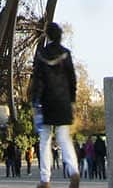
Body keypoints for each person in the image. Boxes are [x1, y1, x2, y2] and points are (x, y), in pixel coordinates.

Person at [30, 22, 81, 188]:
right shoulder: (66, 54)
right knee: (64, 139)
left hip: (46, 102)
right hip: (63, 101)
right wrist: (71, 99)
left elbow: (37, 80)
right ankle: (74, 171)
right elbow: (72, 79)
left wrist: (34, 101)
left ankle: (45, 179)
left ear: (48, 35)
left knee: (44, 140)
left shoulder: (41, 54)